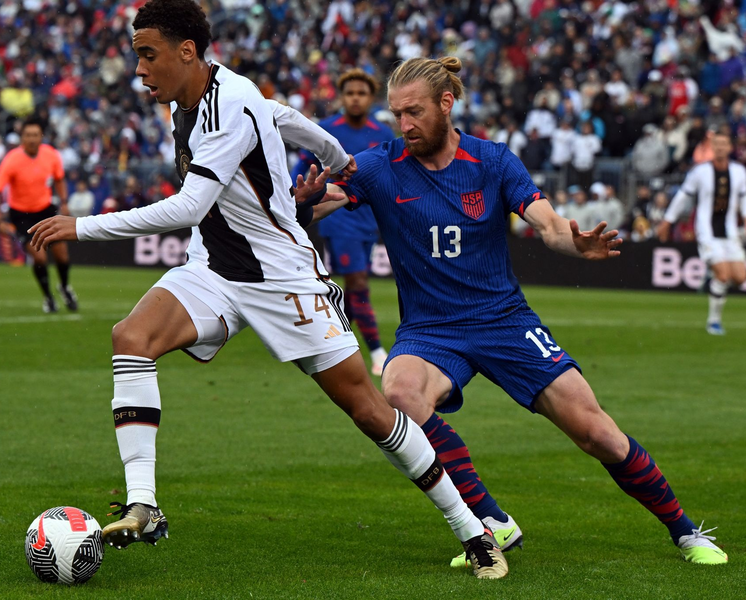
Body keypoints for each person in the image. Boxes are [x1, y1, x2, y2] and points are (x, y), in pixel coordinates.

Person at [28, 0, 507, 580]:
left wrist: (84, 226)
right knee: (131, 337)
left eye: (148, 55)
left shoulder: (227, 104)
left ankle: (473, 531)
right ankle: (143, 503)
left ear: (187, 52)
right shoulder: (194, 98)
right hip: (214, 268)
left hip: (283, 279)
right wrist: (335, 155)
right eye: (137, 57)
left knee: (369, 410)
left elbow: (190, 205)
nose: (140, 70)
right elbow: (282, 116)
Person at [316, 56, 728, 566]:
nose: (404, 125)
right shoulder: (380, 165)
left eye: (414, 112)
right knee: (399, 391)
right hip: (430, 331)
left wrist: (574, 244)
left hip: (505, 321)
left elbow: (548, 223)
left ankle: (686, 531)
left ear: (447, 103)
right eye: (396, 114)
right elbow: (321, 199)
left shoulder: (493, 161)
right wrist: (304, 199)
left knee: (596, 432)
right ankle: (491, 521)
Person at [291, 69, 395, 376]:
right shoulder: (326, 128)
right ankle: (377, 352)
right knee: (358, 281)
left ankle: (336, 344)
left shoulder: (383, 134)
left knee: (351, 285)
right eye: (350, 93)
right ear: (342, 96)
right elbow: (302, 166)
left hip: (367, 219)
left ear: (371, 98)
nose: (355, 98)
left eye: (361, 93)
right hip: (336, 214)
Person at [657, 130, 746, 335]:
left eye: (724, 144)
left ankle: (710, 277)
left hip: (730, 231)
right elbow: (683, 196)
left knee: (740, 278)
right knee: (723, 276)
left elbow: (743, 200)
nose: (720, 148)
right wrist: (667, 221)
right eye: (717, 144)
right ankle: (713, 322)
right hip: (707, 231)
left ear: (730, 148)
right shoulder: (700, 171)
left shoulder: (739, 172)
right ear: (712, 148)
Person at [0, 115, 78, 313]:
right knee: (39, 258)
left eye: (35, 134)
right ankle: (48, 297)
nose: (32, 138)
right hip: (21, 214)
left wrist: (63, 202)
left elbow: (60, 179)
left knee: (62, 255)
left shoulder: (51, 155)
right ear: (22, 138)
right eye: (28, 135)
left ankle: (64, 287)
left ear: (41, 136)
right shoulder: (12, 160)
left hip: (46, 209)